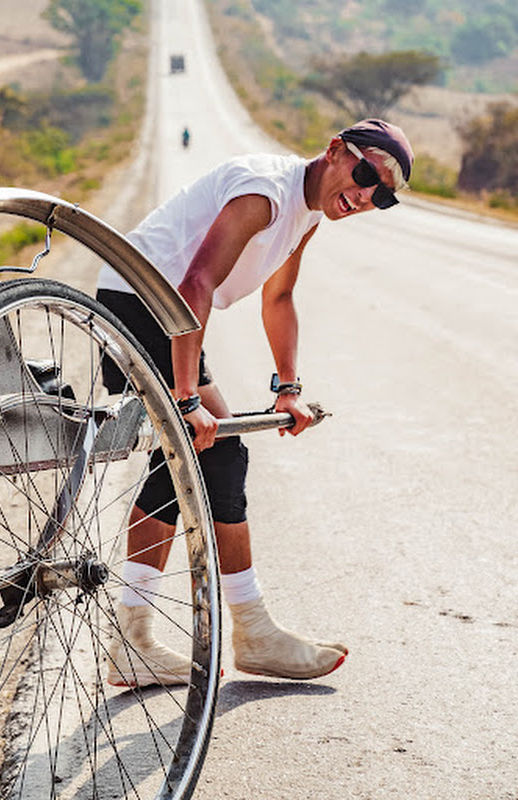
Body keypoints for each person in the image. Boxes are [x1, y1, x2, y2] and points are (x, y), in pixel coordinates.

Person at [96, 119, 414, 684]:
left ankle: (150, 636)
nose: (366, 196)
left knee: (199, 457)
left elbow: (280, 295)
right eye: (366, 175)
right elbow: (195, 283)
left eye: (382, 196)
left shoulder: (309, 213)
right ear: (336, 151)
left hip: (161, 310)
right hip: (139, 302)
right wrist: (186, 396)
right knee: (211, 451)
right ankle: (238, 632)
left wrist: (288, 388)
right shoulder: (265, 194)